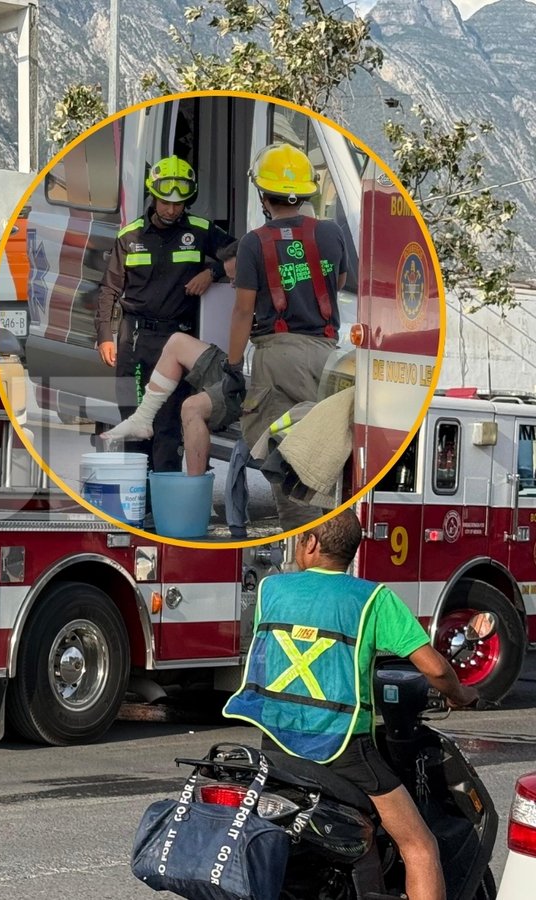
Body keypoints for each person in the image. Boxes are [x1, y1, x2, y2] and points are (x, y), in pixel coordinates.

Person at [224, 509, 478, 900]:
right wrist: (458, 695)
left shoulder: (272, 590)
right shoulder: (374, 600)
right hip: (342, 751)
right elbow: (435, 668)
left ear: (310, 544)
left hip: (276, 747)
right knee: (421, 846)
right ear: (353, 552)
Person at [228, 143, 351, 531]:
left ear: (263, 196)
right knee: (322, 448)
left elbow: (244, 309)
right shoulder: (330, 233)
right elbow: (339, 281)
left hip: (277, 358)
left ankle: (300, 539)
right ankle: (328, 532)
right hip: (327, 358)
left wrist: (232, 365)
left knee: (283, 453)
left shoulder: (253, 243)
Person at [96, 156, 235, 474]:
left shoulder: (201, 232)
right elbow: (109, 290)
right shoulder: (130, 237)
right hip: (134, 342)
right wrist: (105, 335)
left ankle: (162, 512)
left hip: (176, 343)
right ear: (153, 196)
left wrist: (212, 272)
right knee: (133, 427)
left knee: (168, 430)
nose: (171, 210)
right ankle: (137, 509)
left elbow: (243, 252)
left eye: (179, 204)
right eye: (165, 202)